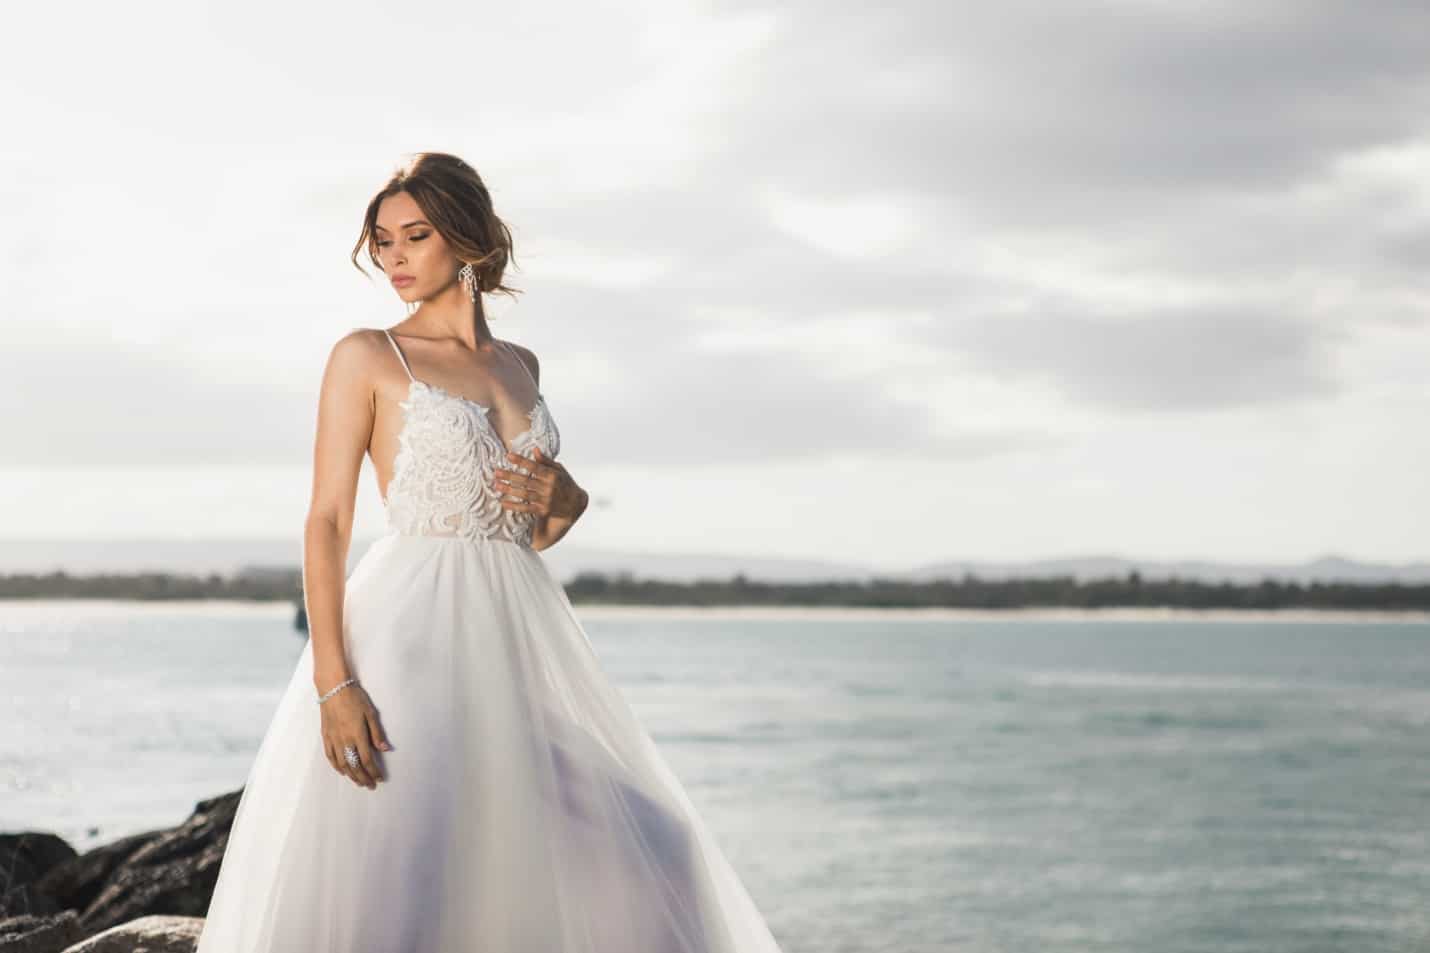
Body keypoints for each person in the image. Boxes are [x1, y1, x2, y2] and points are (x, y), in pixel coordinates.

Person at [194, 152, 786, 952]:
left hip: (513, 641)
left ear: (467, 238)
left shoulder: (521, 365)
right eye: (384, 241)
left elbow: (530, 528)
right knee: (405, 875)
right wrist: (333, 682)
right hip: (410, 636)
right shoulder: (369, 355)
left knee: (656, 845)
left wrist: (568, 501)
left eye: (416, 236)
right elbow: (327, 520)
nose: (396, 258)